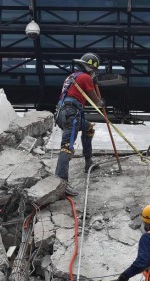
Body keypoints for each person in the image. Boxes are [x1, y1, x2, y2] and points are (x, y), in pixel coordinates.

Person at [54, 52, 105, 197]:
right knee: (67, 148)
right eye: (94, 70)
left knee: (88, 127)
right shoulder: (85, 77)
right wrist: (102, 102)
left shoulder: (72, 77)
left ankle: (88, 161)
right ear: (90, 68)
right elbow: (96, 101)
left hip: (63, 112)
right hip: (71, 114)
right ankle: (61, 184)